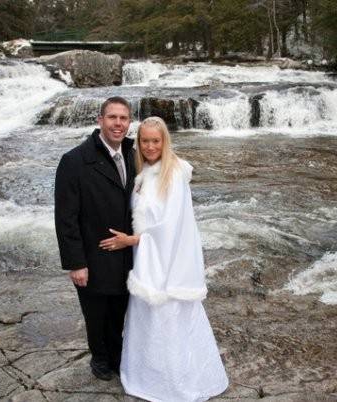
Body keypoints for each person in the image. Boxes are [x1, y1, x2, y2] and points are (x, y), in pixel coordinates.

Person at [99, 116, 229, 401]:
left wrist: (131, 240)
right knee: (149, 318)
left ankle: (175, 382)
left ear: (165, 141)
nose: (149, 146)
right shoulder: (144, 172)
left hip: (168, 261)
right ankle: (149, 376)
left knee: (169, 317)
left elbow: (172, 226)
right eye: (144, 141)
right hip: (148, 258)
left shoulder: (174, 174)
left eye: (155, 141)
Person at [54, 96, 135, 381]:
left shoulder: (133, 153)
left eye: (123, 118)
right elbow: (65, 218)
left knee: (119, 311)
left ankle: (116, 356)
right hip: (93, 254)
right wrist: (76, 263)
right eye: (112, 117)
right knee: (96, 314)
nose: (118, 123)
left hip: (127, 253)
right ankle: (99, 359)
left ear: (129, 122)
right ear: (100, 120)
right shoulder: (74, 161)